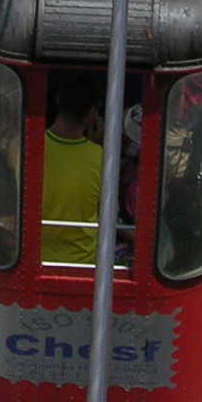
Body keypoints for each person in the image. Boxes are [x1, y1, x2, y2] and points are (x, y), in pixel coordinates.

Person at [39, 74, 136, 267]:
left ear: (58, 100)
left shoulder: (30, 147)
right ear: (93, 113)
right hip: (83, 264)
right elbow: (109, 215)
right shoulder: (102, 158)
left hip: (37, 259)